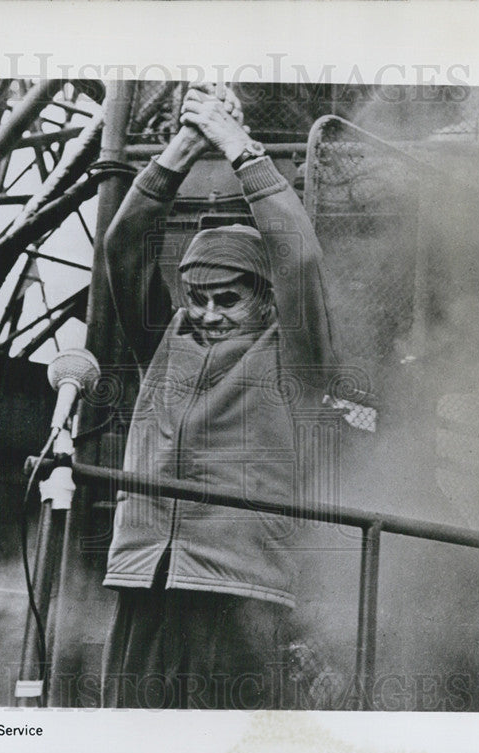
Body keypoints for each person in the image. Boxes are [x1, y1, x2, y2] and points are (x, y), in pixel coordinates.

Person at [100, 84, 338, 709]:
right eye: (197, 297)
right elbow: (122, 247)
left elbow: (300, 259)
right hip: (145, 574)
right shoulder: (166, 337)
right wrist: (186, 143)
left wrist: (239, 146)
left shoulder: (295, 353)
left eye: (227, 299)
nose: (206, 313)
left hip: (238, 585)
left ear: (264, 298)